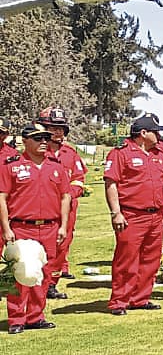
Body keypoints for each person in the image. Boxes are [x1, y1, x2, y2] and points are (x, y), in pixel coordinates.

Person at [1, 123, 71, 333]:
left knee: (43, 274)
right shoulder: (11, 165)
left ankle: (36, 316)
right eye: (38, 138)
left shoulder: (55, 166)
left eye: (45, 138)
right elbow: (2, 197)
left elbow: (65, 196)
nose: (44, 142)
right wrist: (6, 228)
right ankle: (16, 319)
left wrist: (63, 226)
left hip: (50, 227)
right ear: (25, 141)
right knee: (19, 275)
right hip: (22, 227)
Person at [104, 114, 163, 316]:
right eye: (156, 132)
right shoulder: (121, 154)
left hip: (155, 214)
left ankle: (140, 298)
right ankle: (119, 301)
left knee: (150, 260)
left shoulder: (158, 154)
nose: (159, 136)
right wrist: (116, 212)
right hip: (132, 215)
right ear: (143, 133)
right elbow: (111, 183)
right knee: (126, 259)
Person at [38, 108, 85, 299]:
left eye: (61, 128)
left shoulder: (70, 153)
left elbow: (79, 178)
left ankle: (51, 284)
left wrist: (68, 194)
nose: (58, 132)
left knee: (61, 247)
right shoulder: (36, 151)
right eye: (53, 128)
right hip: (41, 209)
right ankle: (35, 283)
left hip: (67, 209)